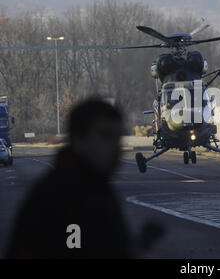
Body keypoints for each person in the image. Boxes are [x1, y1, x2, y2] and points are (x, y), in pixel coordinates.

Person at [5, 98, 133, 258]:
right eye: (105, 136)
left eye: (118, 138)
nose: (116, 147)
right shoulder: (64, 196)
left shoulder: (96, 188)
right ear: (79, 139)